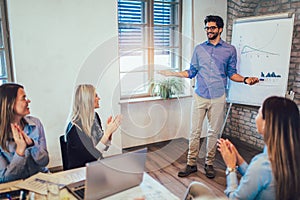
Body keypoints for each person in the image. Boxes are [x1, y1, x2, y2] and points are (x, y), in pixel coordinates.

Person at [159, 15, 259, 178]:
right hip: (200, 95)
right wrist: (173, 74)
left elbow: (231, 73)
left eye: (212, 28)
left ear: (220, 29)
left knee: (213, 133)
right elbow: (192, 72)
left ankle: (209, 164)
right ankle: (191, 164)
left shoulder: (230, 50)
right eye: (207, 28)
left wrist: (246, 80)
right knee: (194, 132)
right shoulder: (199, 49)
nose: (209, 31)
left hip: (218, 97)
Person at [218, 96, 300, 199]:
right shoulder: (290, 158)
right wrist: (238, 159)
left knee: (196, 188)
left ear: (266, 123)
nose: (256, 118)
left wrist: (231, 168)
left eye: (258, 113)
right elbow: (260, 177)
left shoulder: (262, 164)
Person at [0, 83, 49, 183]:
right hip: (15, 189)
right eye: (23, 98)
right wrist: (20, 152)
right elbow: (4, 178)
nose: (28, 101)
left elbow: (45, 162)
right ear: (10, 104)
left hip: (42, 182)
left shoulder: (36, 124)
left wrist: (32, 145)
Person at [65, 84, 121, 169]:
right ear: (87, 100)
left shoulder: (94, 117)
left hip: (97, 165)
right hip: (82, 171)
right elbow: (91, 158)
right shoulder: (74, 129)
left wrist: (109, 133)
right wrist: (107, 133)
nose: (99, 98)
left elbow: (104, 148)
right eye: (96, 96)